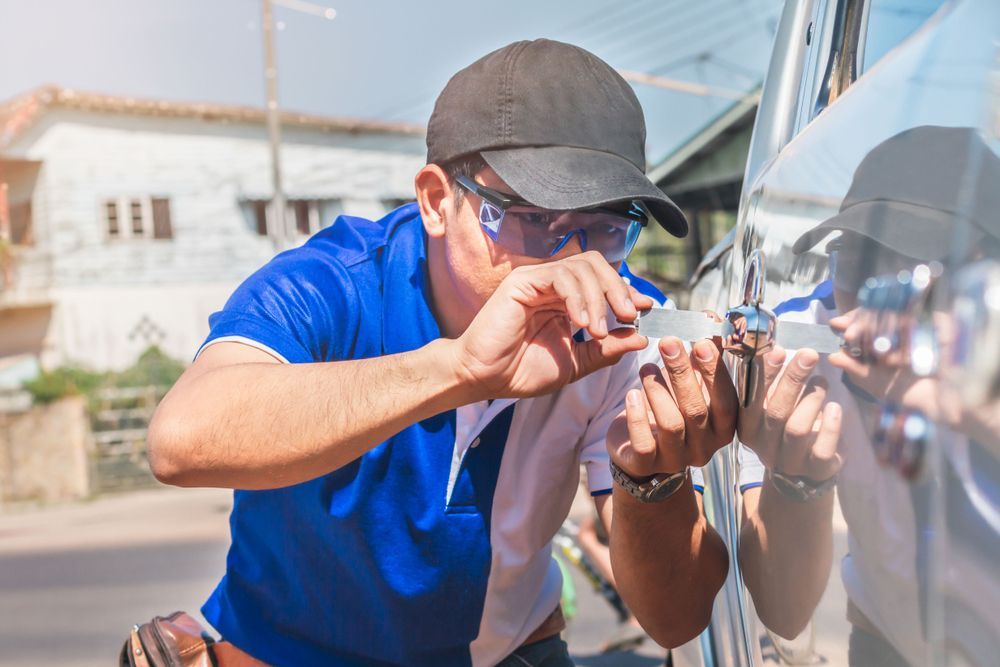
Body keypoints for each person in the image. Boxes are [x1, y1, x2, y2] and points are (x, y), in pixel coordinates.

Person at [148, 39, 737, 667]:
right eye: (534, 218)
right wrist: (456, 370)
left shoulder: (622, 328)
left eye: (608, 225)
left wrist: (651, 480)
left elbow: (677, 619)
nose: (572, 260)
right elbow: (181, 440)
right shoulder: (334, 284)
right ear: (435, 199)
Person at [736, 126, 1000, 665]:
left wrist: (979, 410)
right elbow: (783, 613)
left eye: (916, 273)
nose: (880, 303)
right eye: (858, 264)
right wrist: (794, 480)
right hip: (886, 641)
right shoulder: (797, 345)